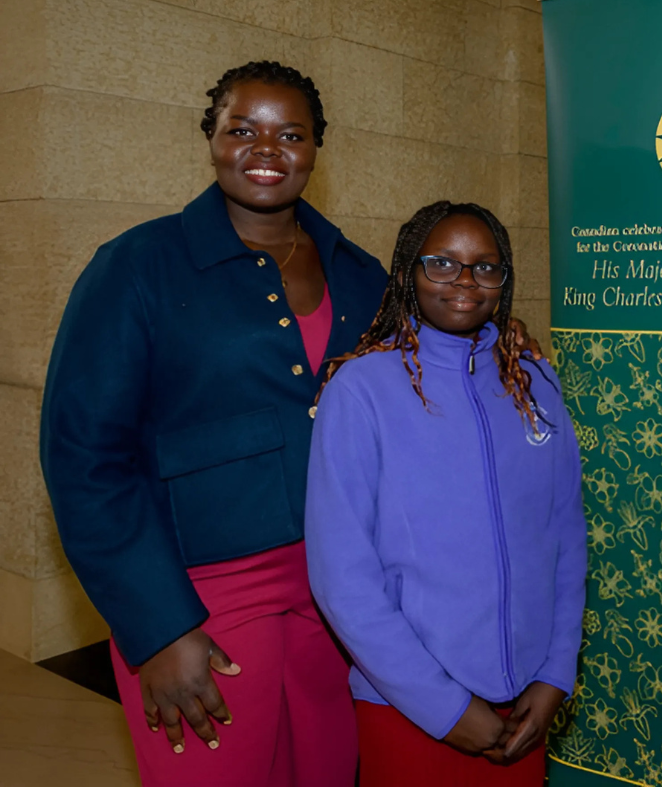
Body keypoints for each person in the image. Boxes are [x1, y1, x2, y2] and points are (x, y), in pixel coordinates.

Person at [39, 62, 541, 786]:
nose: (266, 149)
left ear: (315, 150)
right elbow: (84, 457)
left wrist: (503, 346)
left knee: (327, 771)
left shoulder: (362, 274)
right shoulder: (135, 268)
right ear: (210, 137)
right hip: (201, 598)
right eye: (241, 128)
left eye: (290, 134)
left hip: (340, 593)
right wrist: (156, 628)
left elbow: (423, 371)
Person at [304, 201, 587, 787]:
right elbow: (343, 579)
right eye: (443, 264)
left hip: (526, 707)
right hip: (408, 706)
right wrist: (445, 707)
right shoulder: (360, 390)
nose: (464, 281)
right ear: (409, 271)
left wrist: (556, 673)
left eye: (486, 268)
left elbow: (564, 536)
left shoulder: (532, 381)